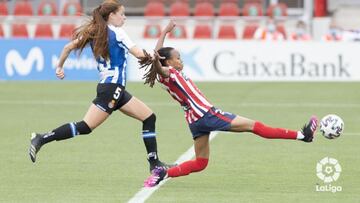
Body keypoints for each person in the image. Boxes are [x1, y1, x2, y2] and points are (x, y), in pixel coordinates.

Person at [140, 21, 318, 187]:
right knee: (255, 126)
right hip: (207, 114)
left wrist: (164, 32)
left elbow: (158, 54)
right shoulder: (167, 73)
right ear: (168, 61)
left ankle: (163, 174)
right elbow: (158, 62)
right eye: (178, 58)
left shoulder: (165, 74)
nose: (181, 61)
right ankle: (303, 135)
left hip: (195, 121)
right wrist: (157, 57)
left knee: (201, 162)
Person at [28, 0, 171, 172]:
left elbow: (67, 47)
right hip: (112, 89)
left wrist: (59, 67)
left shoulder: (94, 31)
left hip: (115, 89)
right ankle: (42, 138)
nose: (124, 18)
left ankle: (154, 164)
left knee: (149, 117)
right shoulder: (118, 33)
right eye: (122, 14)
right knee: (86, 126)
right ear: (111, 15)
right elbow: (139, 54)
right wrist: (156, 58)